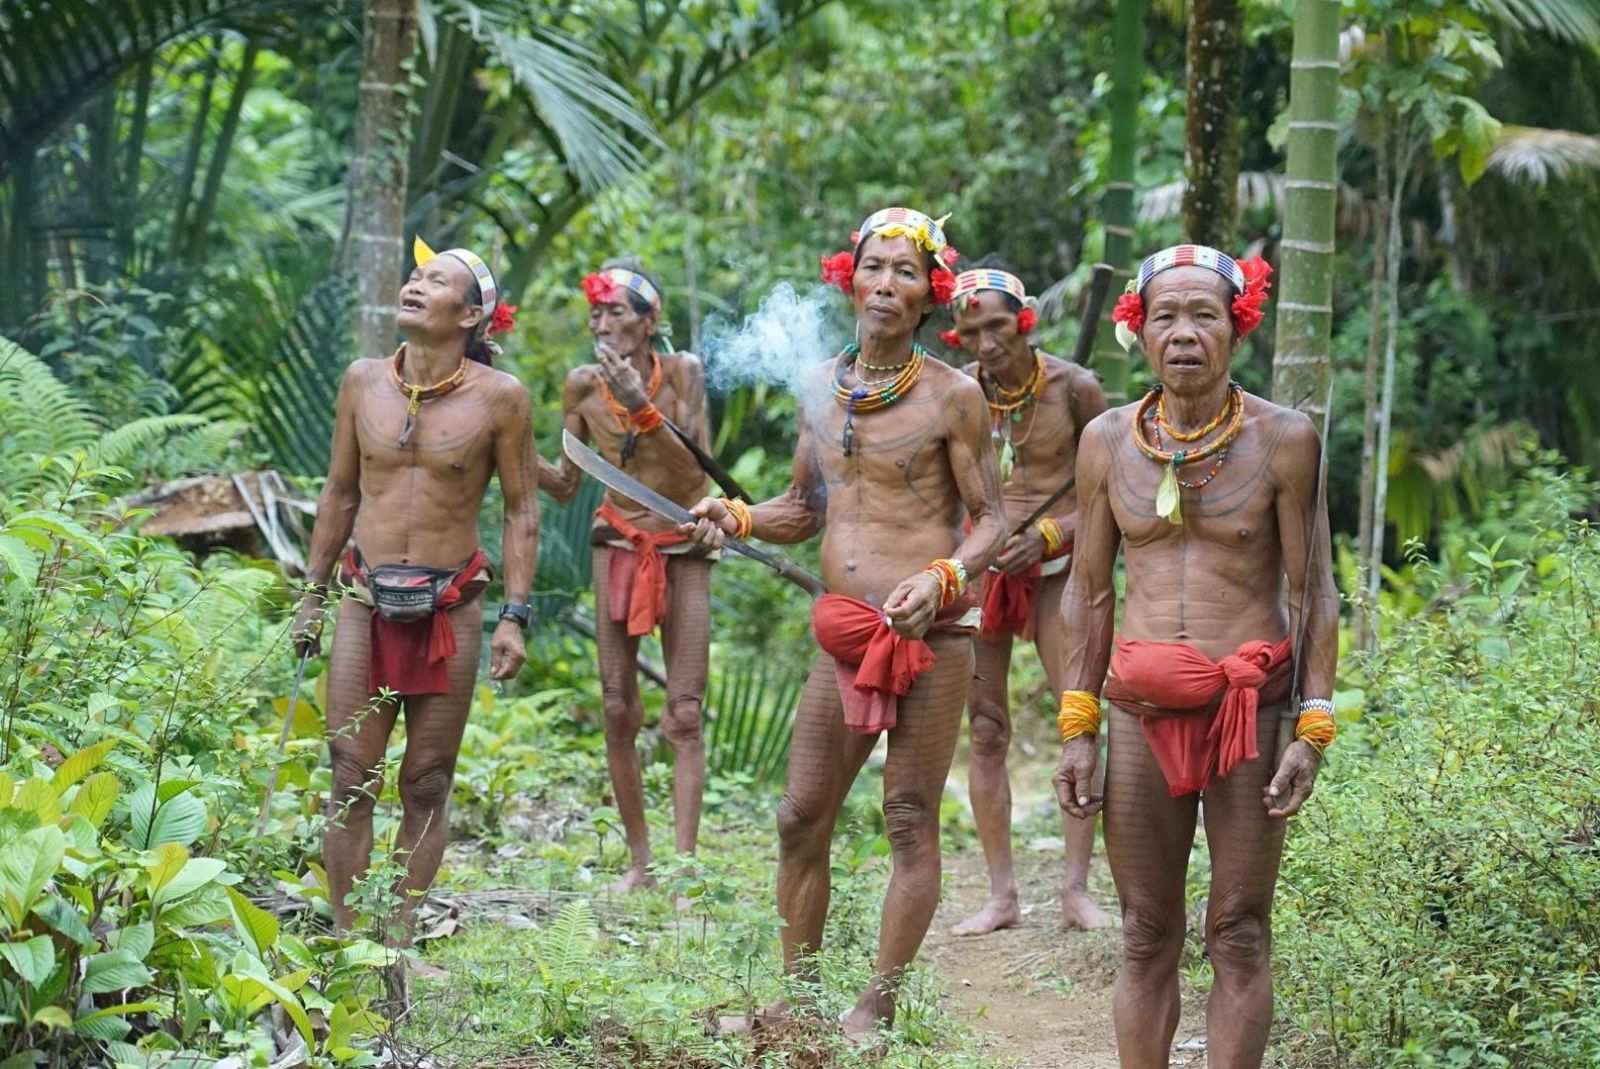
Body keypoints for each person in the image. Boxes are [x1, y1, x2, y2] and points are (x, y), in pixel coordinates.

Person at [680, 207, 1007, 1041]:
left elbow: (993, 522)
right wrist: (737, 516)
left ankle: (879, 1002)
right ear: (848, 278)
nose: (887, 284)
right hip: (844, 632)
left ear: (930, 293)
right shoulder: (817, 387)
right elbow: (803, 505)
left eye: (906, 271)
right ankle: (801, 995)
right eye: (874, 267)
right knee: (798, 813)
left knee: (907, 815)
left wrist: (945, 576)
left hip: (933, 638)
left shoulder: (954, 397)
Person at [1051, 244, 1339, 1068]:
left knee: (1239, 932)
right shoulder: (1106, 441)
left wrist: (1312, 726)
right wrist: (1079, 725)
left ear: (1236, 331)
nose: (1185, 333)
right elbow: (1089, 592)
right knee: (1145, 930)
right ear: (1139, 332)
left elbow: (1315, 589)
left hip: (1249, 716)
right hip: (1139, 718)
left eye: (1204, 314)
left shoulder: (1286, 440)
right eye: (1166, 316)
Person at [290, 237, 540, 937]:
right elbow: (339, 491)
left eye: (435, 281)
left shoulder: (502, 399)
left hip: (451, 608)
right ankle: (347, 935)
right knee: (349, 772)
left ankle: (395, 936)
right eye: (414, 275)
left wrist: (515, 616)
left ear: (470, 317)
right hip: (365, 602)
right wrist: (312, 592)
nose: (414, 284)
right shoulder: (360, 380)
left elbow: (523, 510)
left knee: (427, 779)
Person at [936, 264, 1110, 936]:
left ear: (1025, 320)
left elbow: (1109, 496)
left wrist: (1048, 533)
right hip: (984, 575)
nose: (986, 341)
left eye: (998, 325)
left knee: (1078, 721)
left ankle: (1076, 890)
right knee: (984, 730)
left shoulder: (1076, 387)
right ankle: (1001, 895)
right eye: (972, 330)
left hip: (1062, 574)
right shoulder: (957, 397)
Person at [538, 258, 716, 897]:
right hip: (615, 543)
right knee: (617, 706)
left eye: (616, 311)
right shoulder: (581, 386)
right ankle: (641, 862)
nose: (603, 322)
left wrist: (643, 408)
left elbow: (696, 473)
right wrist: (503, 447)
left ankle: (684, 865)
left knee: (686, 710)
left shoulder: (685, 373)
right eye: (597, 312)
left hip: (682, 546)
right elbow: (564, 485)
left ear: (649, 322)